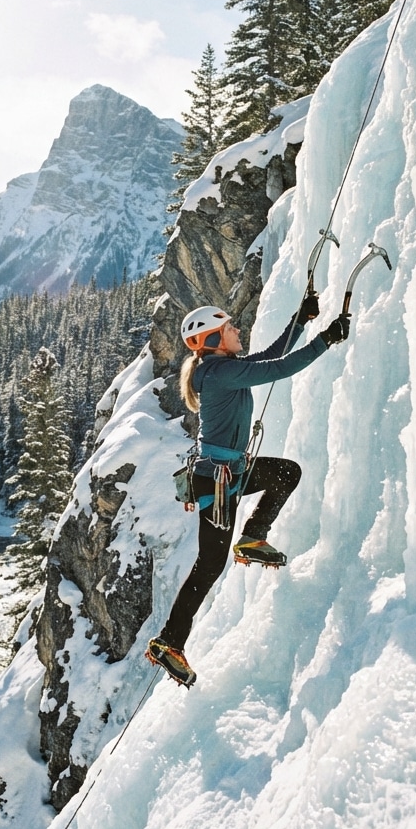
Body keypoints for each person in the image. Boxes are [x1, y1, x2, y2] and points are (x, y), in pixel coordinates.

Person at [146, 294, 350, 687]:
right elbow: (282, 367)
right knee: (209, 564)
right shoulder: (220, 373)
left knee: (285, 473)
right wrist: (327, 339)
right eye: (230, 328)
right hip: (219, 480)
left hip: (228, 473)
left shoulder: (224, 367)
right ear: (214, 339)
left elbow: (272, 355)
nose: (237, 331)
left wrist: (301, 318)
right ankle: (169, 642)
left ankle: (253, 538)